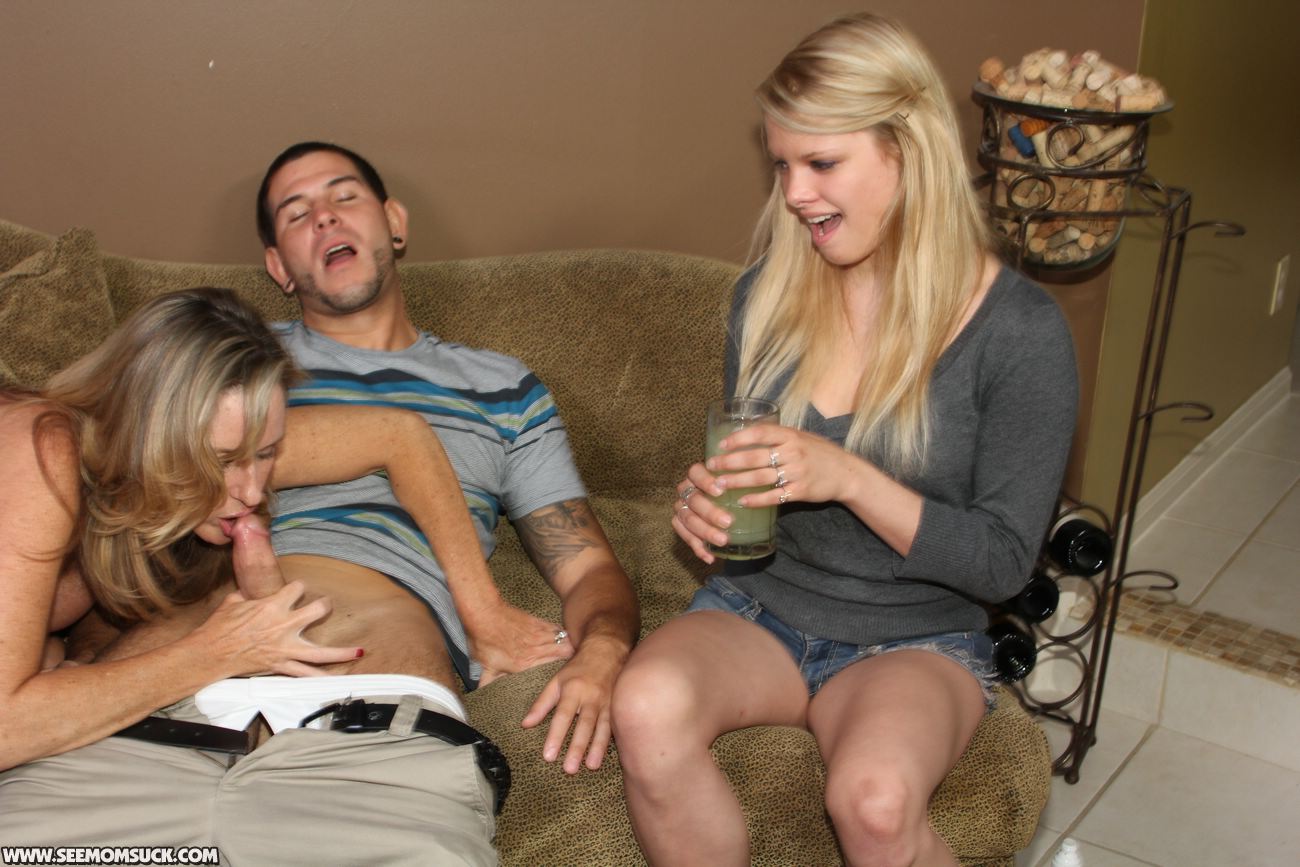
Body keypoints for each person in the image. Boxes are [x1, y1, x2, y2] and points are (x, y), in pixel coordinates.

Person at [610, 13, 1077, 867]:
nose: (795, 193)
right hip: (760, 609)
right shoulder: (765, 297)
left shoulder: (1021, 332)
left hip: (918, 636)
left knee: (874, 800)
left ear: (909, 151)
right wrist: (709, 507)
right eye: (782, 165)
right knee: (642, 705)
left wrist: (850, 477)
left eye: (822, 163)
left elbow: (1004, 565)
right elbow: (751, 484)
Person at [0, 288, 512, 863]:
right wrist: (217, 652)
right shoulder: (39, 446)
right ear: (146, 433)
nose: (250, 490)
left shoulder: (203, 451)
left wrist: (484, 613)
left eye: (267, 453)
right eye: (222, 462)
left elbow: (400, 436)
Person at [254, 141, 639, 774]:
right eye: (297, 214)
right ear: (278, 266)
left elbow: (587, 566)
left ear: (395, 222)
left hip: (387, 628)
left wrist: (603, 649)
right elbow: (161, 457)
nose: (324, 217)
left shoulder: (504, 389)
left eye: (344, 196)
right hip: (229, 601)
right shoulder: (239, 354)